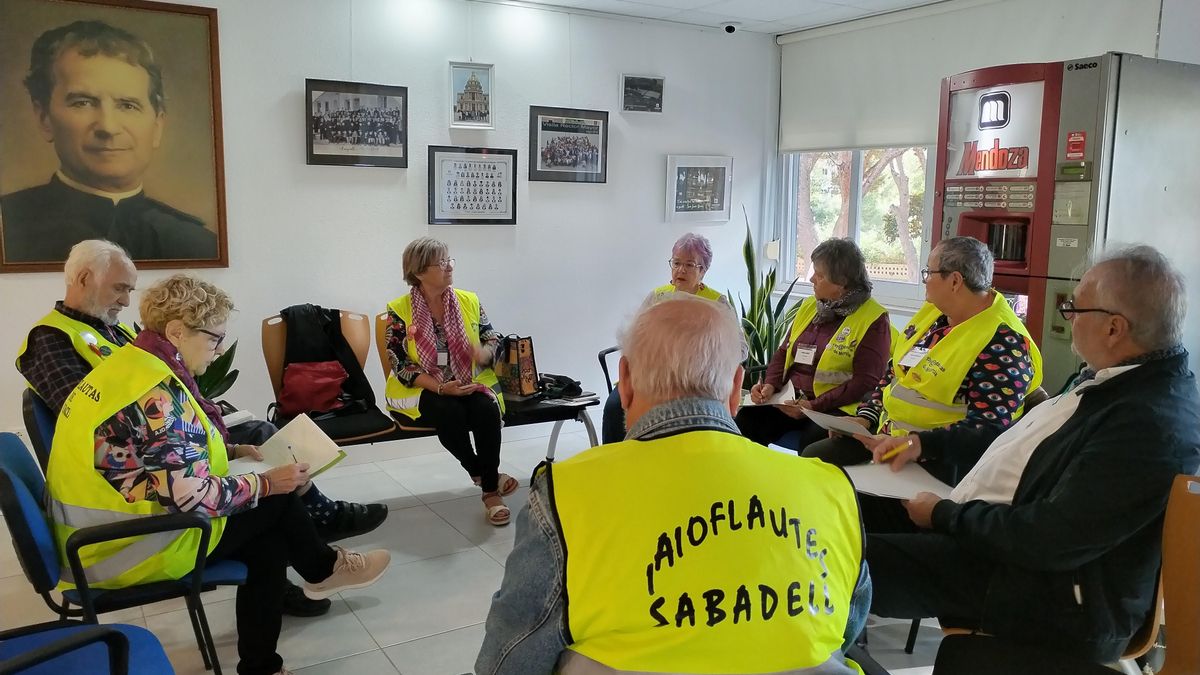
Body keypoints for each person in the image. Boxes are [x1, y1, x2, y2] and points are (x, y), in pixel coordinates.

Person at [476, 294, 869, 675]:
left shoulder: (565, 493)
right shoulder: (831, 490)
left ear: (624, 380)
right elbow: (846, 627)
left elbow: (507, 659)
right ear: (736, 389)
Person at [865, 245, 1200, 664]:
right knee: (846, 511)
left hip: (1051, 594)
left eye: (1074, 309)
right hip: (994, 532)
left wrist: (944, 515)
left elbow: (1050, 539)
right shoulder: (1119, 381)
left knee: (844, 559)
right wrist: (928, 453)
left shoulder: (1148, 423)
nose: (1069, 317)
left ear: (1114, 329)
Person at [15, 239, 387, 617]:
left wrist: (228, 453)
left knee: (266, 491)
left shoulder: (129, 350)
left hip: (118, 517)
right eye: (214, 339)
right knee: (273, 501)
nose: (126, 300)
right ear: (176, 332)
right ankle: (324, 561)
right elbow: (183, 488)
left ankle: (296, 597)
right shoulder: (76, 351)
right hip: (124, 547)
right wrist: (263, 484)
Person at [801, 236, 1043, 488]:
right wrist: (867, 418)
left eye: (929, 272)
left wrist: (915, 445)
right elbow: (895, 373)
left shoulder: (1003, 342)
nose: (925, 279)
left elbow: (987, 431)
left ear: (955, 281)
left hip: (938, 461)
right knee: (816, 459)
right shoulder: (936, 313)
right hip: (890, 438)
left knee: (842, 490)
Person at [0, 20, 216, 264]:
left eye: (128, 105)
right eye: (83, 103)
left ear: (157, 126)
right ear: (44, 118)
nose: (108, 127)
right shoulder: (7, 227)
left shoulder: (199, 244)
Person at [384, 237, 516, 525]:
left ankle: (490, 491)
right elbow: (400, 362)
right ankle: (483, 476)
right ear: (419, 272)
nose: (450, 267)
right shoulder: (399, 309)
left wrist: (484, 353)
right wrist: (442, 388)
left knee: (485, 409)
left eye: (449, 260)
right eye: (442, 262)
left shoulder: (469, 300)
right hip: (423, 386)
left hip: (468, 379)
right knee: (449, 411)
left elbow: (492, 339)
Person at [736, 238, 892, 452]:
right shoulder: (811, 305)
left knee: (813, 444)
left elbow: (865, 382)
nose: (811, 279)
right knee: (746, 420)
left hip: (835, 408)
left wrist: (813, 406)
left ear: (841, 283)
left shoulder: (874, 319)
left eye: (819, 275)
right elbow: (784, 351)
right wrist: (770, 385)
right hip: (792, 400)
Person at [601, 232, 727, 444]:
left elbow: (740, 349)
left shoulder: (716, 303)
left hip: (695, 381)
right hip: (651, 375)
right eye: (676, 263)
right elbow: (634, 336)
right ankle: (616, 458)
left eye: (689, 265)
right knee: (615, 406)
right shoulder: (658, 296)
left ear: (703, 270)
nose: (681, 270)